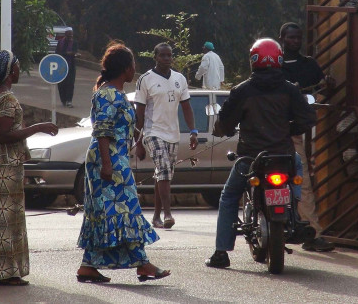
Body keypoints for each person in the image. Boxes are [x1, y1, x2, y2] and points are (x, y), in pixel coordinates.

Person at [206, 38, 315, 269]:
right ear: (279, 59)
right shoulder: (290, 89)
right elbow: (307, 119)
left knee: (228, 197)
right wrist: (288, 130)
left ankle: (221, 253)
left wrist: (222, 129)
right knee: (297, 167)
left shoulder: (242, 91)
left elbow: (225, 124)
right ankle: (294, 211)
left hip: (250, 159)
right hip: (283, 156)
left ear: (253, 60)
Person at [76, 42, 170, 283]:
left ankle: (88, 266)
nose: (134, 71)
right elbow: (103, 131)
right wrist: (107, 165)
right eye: (133, 66)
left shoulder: (113, 93)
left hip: (114, 158)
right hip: (107, 161)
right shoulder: (108, 94)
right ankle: (143, 263)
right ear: (125, 68)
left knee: (104, 213)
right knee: (127, 209)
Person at [0, 50, 58, 285]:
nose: (20, 70)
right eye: (18, 66)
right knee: (7, 219)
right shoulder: (8, 98)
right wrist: (38, 127)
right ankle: (6, 272)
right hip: (6, 166)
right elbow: (4, 134)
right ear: (10, 71)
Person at [278, 22, 335, 252]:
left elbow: (319, 91)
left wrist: (327, 86)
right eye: (291, 37)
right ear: (281, 38)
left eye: (298, 37)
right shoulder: (272, 66)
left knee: (302, 183)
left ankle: (312, 233)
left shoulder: (308, 64)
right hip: (269, 133)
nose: (295, 41)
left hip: (293, 134)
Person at [134, 43, 198, 229]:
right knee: (163, 168)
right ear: (155, 57)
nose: (166, 59)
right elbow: (139, 113)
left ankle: (156, 216)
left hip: (173, 134)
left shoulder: (180, 79)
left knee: (163, 174)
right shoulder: (145, 79)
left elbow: (186, 107)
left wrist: (193, 131)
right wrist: (138, 142)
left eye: (169, 56)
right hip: (153, 132)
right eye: (162, 56)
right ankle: (168, 214)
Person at [56, 28, 79, 107]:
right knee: (61, 84)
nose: (70, 36)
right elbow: (57, 53)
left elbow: (75, 52)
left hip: (71, 66)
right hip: (61, 66)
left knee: (70, 83)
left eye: (71, 34)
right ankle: (63, 100)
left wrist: (73, 54)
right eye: (69, 34)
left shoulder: (74, 42)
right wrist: (67, 53)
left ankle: (69, 101)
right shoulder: (60, 42)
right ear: (65, 34)